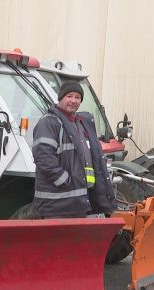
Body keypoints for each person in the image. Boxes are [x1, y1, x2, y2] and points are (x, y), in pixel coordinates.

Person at [31, 80, 115, 218]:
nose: (73, 101)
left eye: (77, 97)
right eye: (69, 96)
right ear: (60, 98)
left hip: (78, 202)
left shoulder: (82, 123)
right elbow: (43, 157)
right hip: (56, 204)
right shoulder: (49, 122)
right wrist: (64, 181)